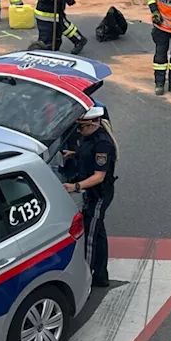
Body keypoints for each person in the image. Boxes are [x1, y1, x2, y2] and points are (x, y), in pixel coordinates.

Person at [63, 112, 117, 287]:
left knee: (91, 236)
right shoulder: (88, 137)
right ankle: (101, 275)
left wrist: (76, 186)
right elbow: (86, 153)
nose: (80, 130)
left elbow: (99, 176)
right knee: (98, 232)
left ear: (93, 124)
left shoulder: (103, 144)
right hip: (91, 192)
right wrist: (73, 154)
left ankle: (85, 277)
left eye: (82, 126)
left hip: (98, 194)